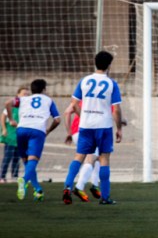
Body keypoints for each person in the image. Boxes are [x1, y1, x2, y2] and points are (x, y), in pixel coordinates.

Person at [62, 51, 123, 205]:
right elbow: (116, 109)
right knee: (104, 159)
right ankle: (105, 197)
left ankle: (67, 187)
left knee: (79, 156)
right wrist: (119, 128)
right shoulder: (111, 83)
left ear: (95, 63)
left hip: (86, 126)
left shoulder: (84, 81)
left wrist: (84, 117)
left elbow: (74, 103)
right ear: (109, 65)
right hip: (103, 126)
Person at [5, 79, 61, 202]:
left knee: (27, 162)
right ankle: (24, 180)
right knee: (33, 161)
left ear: (32, 90)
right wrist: (49, 130)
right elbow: (57, 120)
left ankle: (38, 189)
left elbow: (8, 103)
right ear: (44, 89)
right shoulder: (48, 101)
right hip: (37, 130)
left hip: (21, 129)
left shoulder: (24, 99)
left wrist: (11, 119)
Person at [64, 101, 126, 202]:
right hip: (91, 130)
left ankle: (94, 185)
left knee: (96, 157)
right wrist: (122, 121)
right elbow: (115, 112)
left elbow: (67, 112)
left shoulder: (83, 99)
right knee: (92, 159)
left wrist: (69, 132)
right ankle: (79, 187)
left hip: (76, 131)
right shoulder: (103, 99)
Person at [1, 87, 29, 183]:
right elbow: (3, 117)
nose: (25, 96)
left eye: (27, 94)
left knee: (18, 157)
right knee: (8, 156)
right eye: (23, 94)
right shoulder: (12, 105)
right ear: (18, 95)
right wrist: (4, 129)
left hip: (20, 135)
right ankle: (2, 176)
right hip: (11, 135)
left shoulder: (26, 106)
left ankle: (15, 176)